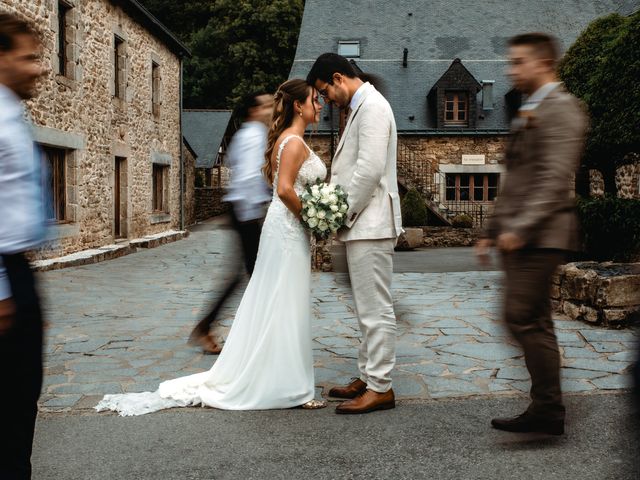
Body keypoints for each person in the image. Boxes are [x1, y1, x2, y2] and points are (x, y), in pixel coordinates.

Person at [96, 79, 326, 415]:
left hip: (283, 228)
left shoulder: (286, 140)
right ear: (298, 106)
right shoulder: (292, 143)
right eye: (314, 100)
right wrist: (315, 218)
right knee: (283, 300)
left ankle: (284, 377)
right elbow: (287, 190)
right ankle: (290, 385)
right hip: (288, 229)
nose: (320, 106)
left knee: (279, 298)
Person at [475, 33, 588, 435]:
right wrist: (491, 230)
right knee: (535, 320)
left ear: (542, 64)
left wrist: (519, 229)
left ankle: (549, 407)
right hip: (522, 235)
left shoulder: (562, 109)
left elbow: (552, 179)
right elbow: (517, 178)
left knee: (519, 316)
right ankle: (548, 407)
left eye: (518, 62)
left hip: (541, 235)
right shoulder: (530, 108)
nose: (511, 69)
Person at [307, 54, 402, 415]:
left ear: (337, 78)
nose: (326, 99)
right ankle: (368, 376)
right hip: (364, 224)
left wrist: (339, 214)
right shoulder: (362, 106)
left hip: (371, 224)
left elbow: (369, 171)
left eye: (324, 91)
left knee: (376, 309)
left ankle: (381, 388)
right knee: (366, 309)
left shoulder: (374, 106)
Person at [188, 92, 273, 354]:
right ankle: (235, 330)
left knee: (246, 275)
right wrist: (254, 213)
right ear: (253, 111)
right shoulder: (252, 136)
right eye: (266, 105)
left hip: (244, 210)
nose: (271, 109)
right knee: (255, 275)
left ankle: (211, 326)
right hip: (245, 211)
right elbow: (248, 177)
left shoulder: (253, 135)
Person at [0, 12, 47, 479]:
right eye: (29, 57)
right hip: (4, 273)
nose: (40, 67)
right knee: (11, 406)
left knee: (20, 399)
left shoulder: (11, 111)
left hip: (19, 270)